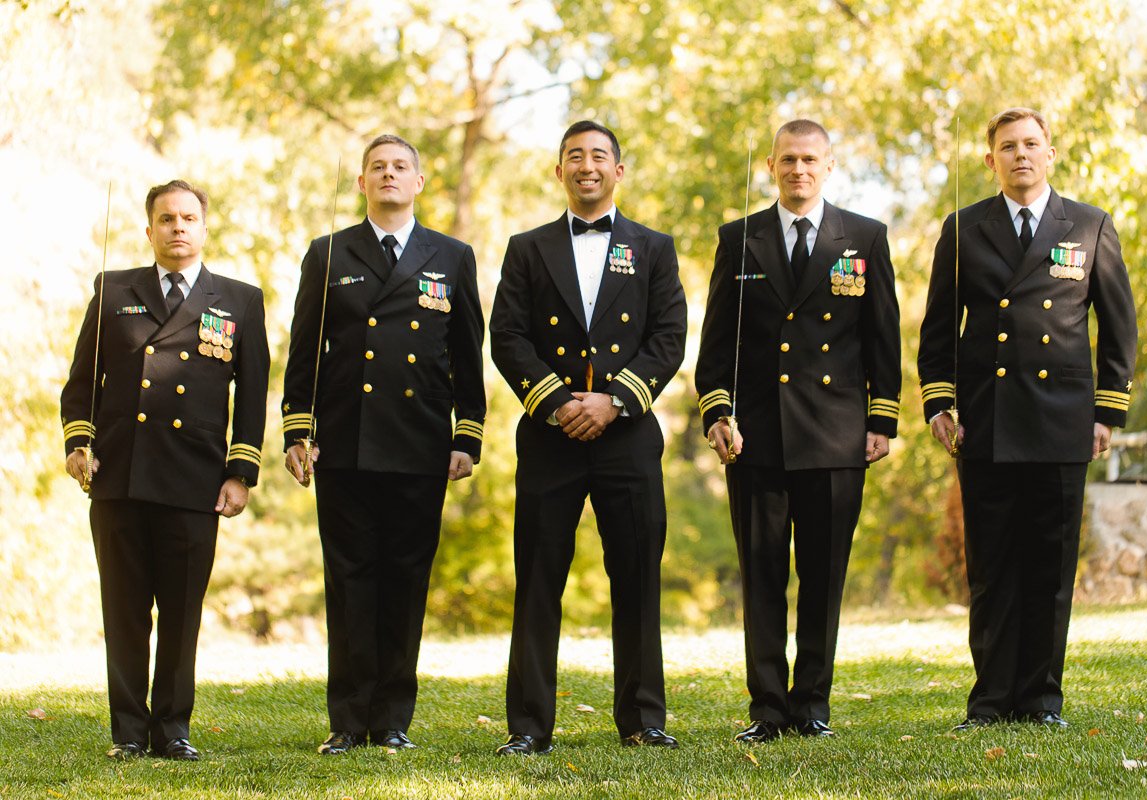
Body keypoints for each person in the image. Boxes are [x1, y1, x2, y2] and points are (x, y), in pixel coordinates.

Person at [917, 107, 1137, 730]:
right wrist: (939, 402)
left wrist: (1107, 413)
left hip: (1063, 421)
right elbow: (938, 331)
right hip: (984, 422)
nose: (1020, 154)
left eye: (1031, 144)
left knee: (1050, 567)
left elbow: (1119, 327)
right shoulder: (963, 228)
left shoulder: (1090, 226)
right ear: (990, 160)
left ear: (1051, 153)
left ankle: (1041, 700)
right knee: (990, 569)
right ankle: (988, 703)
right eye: (1008, 146)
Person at [695, 119, 901, 743]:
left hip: (836, 437)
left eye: (810, 159)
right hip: (755, 438)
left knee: (822, 578)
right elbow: (716, 343)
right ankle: (766, 710)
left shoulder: (864, 236)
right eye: (788, 159)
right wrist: (716, 413)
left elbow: (882, 337)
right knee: (761, 580)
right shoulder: (741, 238)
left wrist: (882, 419)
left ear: (830, 165)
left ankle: (811, 706)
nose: (799, 169)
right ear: (770, 165)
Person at [281, 135, 486, 754]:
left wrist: (466, 434)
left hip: (419, 444)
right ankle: (348, 719)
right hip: (344, 444)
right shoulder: (329, 251)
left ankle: (393, 717)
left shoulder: (452, 256)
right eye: (378, 167)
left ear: (419, 182)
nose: (389, 175)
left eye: (400, 167)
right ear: (363, 183)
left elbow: (466, 354)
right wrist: (297, 429)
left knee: (405, 579)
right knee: (348, 580)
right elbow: (303, 352)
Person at [489, 120, 687, 755]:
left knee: (637, 577)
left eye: (599, 156)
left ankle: (643, 719)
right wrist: (556, 400)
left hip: (627, 434)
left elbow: (669, 336)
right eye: (574, 156)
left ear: (619, 171)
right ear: (559, 171)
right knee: (539, 578)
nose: (587, 166)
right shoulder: (526, 247)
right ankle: (528, 727)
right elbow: (508, 334)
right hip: (550, 433)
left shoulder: (654, 247)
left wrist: (617, 399)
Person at [61, 180, 269, 761]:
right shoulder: (112, 290)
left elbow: (251, 398)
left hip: (194, 480)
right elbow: (80, 385)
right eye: (166, 218)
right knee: (124, 610)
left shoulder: (240, 300)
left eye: (188, 218)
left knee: (181, 613)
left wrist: (241, 472)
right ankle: (128, 733)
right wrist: (79, 443)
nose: (178, 227)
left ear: (204, 228)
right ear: (148, 229)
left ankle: (173, 729)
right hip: (120, 474)